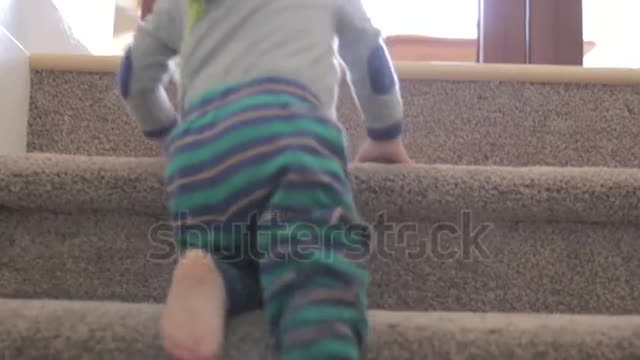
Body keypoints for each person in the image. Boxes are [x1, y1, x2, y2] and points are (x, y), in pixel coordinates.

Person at [117, 0, 412, 359]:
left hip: (199, 153)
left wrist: (168, 134)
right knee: (311, 260)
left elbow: (134, 76)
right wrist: (385, 134)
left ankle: (214, 275)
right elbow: (368, 57)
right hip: (289, 132)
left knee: (234, 255)